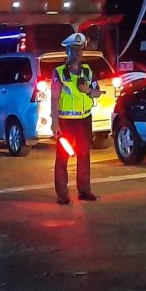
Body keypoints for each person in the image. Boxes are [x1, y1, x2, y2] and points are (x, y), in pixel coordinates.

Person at [51, 32, 102, 204]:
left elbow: (97, 93)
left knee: (84, 155)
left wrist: (87, 90)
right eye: (74, 50)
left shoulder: (87, 72)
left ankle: (85, 191)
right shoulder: (59, 73)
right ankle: (62, 194)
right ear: (67, 52)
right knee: (62, 157)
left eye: (80, 50)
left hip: (84, 120)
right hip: (65, 121)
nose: (78, 54)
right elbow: (54, 98)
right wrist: (55, 123)